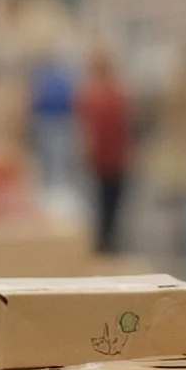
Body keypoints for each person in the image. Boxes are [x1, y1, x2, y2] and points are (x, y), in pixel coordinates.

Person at [76, 48, 133, 255]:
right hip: (108, 159)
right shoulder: (106, 95)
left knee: (107, 206)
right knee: (105, 206)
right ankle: (104, 244)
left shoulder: (101, 95)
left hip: (111, 159)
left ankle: (105, 244)